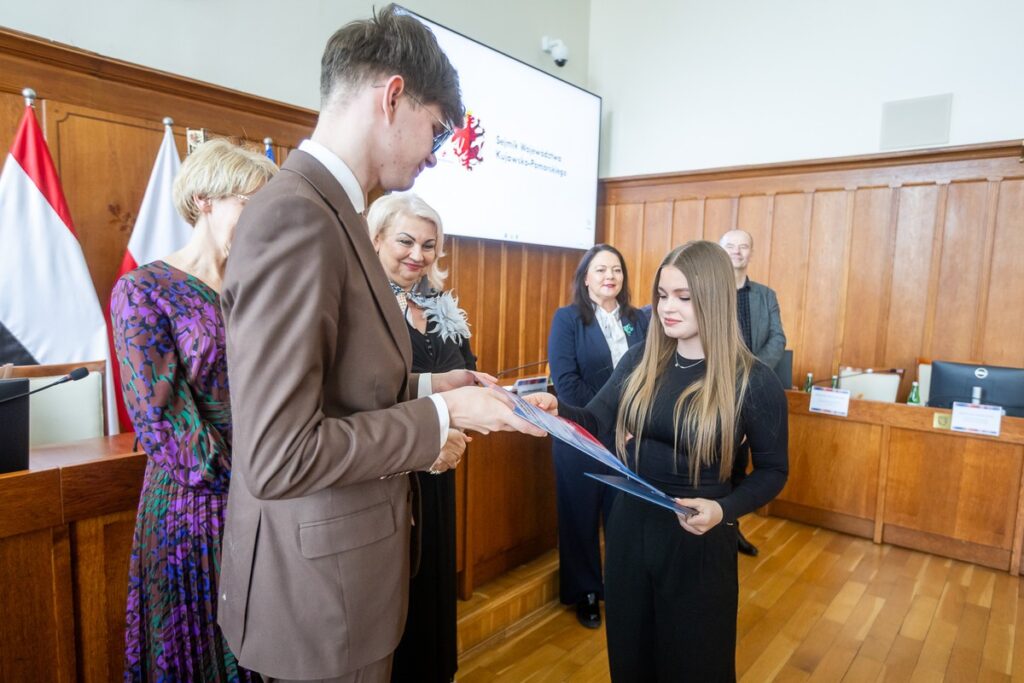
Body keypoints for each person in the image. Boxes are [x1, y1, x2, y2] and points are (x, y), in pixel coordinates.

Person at [217, 7, 544, 682]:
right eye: (435, 129)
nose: (436, 153)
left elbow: (344, 387)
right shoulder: (297, 216)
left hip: (346, 582)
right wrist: (443, 420)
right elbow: (279, 455)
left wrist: (434, 387)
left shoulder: (338, 212)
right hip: (317, 603)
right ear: (392, 96)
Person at [526, 241, 788, 681]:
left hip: (698, 535)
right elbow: (595, 417)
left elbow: (773, 471)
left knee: (694, 661)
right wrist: (556, 408)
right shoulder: (641, 359)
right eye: (662, 295)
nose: (668, 308)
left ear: (714, 297)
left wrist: (724, 509)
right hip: (630, 528)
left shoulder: (753, 380)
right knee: (631, 656)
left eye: (683, 298)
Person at [110, 138, 277, 682]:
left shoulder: (263, 289)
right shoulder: (144, 290)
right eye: (250, 203)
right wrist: (255, 483)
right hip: (197, 505)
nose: (262, 219)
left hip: (274, 491)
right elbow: (162, 423)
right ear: (205, 199)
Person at [367, 192, 471, 683]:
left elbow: (462, 370)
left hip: (442, 462)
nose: (417, 255)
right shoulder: (364, 306)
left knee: (432, 573)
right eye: (406, 241)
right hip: (390, 467)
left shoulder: (440, 306)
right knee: (395, 583)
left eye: (429, 245)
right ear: (377, 238)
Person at [547, 244, 649, 628]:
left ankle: (623, 588)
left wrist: (633, 421)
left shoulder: (639, 320)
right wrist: (609, 421)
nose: (611, 276)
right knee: (579, 515)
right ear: (585, 277)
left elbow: (649, 375)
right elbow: (567, 382)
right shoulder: (568, 319)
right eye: (602, 269)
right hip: (580, 434)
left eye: (617, 270)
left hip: (630, 437)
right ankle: (585, 592)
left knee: (624, 517)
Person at [719, 228, 786, 557]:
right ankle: (714, 528)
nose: (737, 251)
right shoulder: (709, 292)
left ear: (751, 253)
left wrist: (751, 372)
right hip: (715, 387)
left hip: (750, 390)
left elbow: (777, 339)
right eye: (730, 246)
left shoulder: (765, 295)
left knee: (740, 465)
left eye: (743, 246)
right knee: (716, 460)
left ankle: (731, 527)